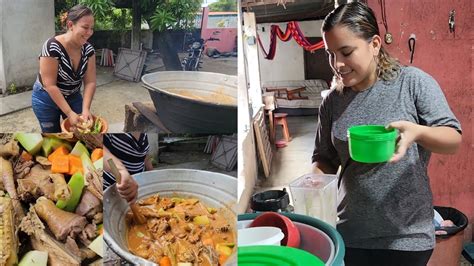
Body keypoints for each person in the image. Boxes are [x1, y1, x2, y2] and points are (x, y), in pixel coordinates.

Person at [312, 2, 462, 265]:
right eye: (330, 53)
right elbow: (324, 158)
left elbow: (453, 139)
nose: (337, 64)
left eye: (346, 52)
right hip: (351, 233)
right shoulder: (333, 102)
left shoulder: (412, 83)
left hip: (407, 236)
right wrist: (310, 184)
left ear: (375, 44)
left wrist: (417, 132)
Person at [32, 4, 96, 132]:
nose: (89, 33)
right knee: (53, 134)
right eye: (85, 27)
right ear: (70, 25)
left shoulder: (88, 50)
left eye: (92, 28)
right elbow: (50, 85)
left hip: (73, 95)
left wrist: (85, 109)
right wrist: (69, 112)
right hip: (46, 98)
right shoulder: (51, 47)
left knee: (80, 133)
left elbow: (90, 82)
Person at [103, 133, 154, 202]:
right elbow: (103, 153)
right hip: (114, 190)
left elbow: (145, 157)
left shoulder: (144, 133)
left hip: (137, 187)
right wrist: (120, 171)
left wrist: (152, 176)